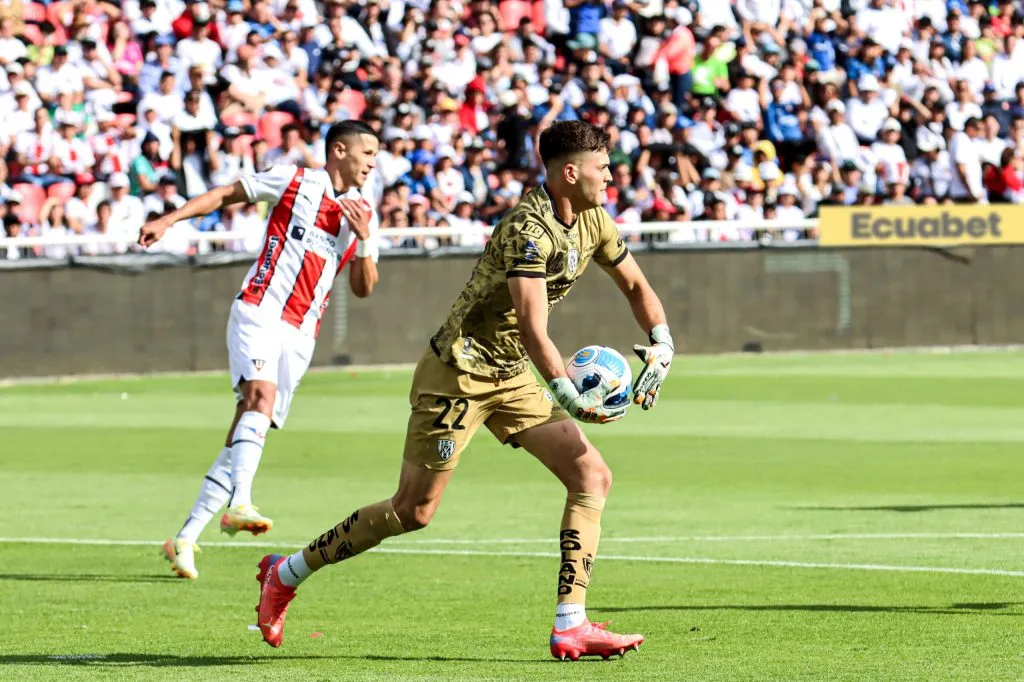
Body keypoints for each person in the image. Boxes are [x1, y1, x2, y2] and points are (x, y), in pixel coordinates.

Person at [252, 120, 675, 660]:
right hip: (458, 372)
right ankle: (285, 573)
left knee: (591, 475)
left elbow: (636, 285)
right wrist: (570, 396)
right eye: (603, 168)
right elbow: (532, 326)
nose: (611, 177)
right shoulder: (529, 227)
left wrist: (661, 341)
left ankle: (571, 623)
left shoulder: (594, 218)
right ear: (570, 173)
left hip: (515, 373)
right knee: (413, 511)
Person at [136, 120, 383, 580]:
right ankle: (240, 503)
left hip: (301, 333)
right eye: (367, 152)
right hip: (259, 309)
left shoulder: (363, 213)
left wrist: (365, 238)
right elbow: (229, 193)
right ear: (339, 151)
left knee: (246, 430)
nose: (373, 161)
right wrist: (169, 219)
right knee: (259, 399)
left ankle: (186, 537)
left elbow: (364, 288)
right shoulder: (295, 180)